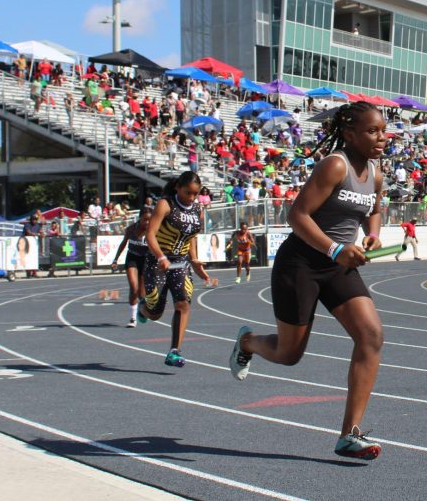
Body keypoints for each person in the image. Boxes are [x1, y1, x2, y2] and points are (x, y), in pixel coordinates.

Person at [228, 101, 386, 461]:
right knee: (289, 354)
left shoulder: (375, 172)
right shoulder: (335, 165)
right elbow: (297, 215)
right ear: (349, 134)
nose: (381, 138)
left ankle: (350, 434)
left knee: (371, 335)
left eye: (383, 130)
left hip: (338, 266)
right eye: (372, 131)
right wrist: (334, 250)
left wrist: (372, 234)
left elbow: (374, 209)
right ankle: (249, 342)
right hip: (301, 263)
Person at [140, 171, 216, 367]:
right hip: (158, 262)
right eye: (187, 192)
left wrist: (195, 260)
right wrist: (161, 257)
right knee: (155, 312)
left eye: (195, 193)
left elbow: (190, 237)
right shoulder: (166, 205)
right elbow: (150, 235)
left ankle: (174, 351)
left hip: (180, 263)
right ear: (177, 188)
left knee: (183, 304)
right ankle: (144, 308)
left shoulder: (197, 209)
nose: (191, 197)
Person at [112, 209, 152, 328]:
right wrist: (115, 259)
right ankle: (133, 318)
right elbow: (123, 243)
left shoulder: (153, 230)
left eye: (150, 220)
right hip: (132, 258)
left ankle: (142, 307)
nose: (147, 222)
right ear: (139, 218)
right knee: (133, 287)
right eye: (145, 219)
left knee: (141, 293)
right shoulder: (131, 229)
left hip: (145, 260)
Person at [22, 211, 45, 278]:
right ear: (31, 219)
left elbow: (40, 231)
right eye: (33, 219)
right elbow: (28, 232)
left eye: (35, 219)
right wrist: (35, 234)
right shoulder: (27, 225)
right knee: (28, 258)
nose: (34, 221)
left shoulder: (37, 225)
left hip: (34, 245)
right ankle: (28, 272)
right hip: (27, 243)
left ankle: (34, 272)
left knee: (34, 258)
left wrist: (42, 234)